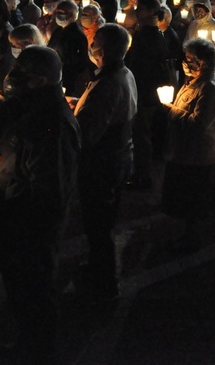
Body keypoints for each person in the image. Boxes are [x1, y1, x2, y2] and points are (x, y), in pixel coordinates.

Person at [0, 46, 80, 363]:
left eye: (25, 71)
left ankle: (37, 350)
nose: (15, 77)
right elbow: (17, 143)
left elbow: (48, 188)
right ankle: (27, 340)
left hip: (29, 228)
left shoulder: (53, 123)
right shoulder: (31, 109)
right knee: (22, 291)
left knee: (34, 290)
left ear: (45, 79)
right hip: (15, 224)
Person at [70, 24, 137, 301]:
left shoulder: (108, 83)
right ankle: (98, 267)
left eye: (95, 40)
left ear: (104, 49)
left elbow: (89, 132)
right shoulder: (123, 73)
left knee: (99, 225)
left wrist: (73, 118)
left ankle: (105, 283)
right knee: (102, 222)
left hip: (103, 165)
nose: (91, 43)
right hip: (118, 157)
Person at [160, 38, 215, 251]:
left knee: (194, 198)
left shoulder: (209, 87)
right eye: (185, 59)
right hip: (184, 149)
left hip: (197, 153)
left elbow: (200, 123)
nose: (185, 64)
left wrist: (172, 110)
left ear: (204, 62)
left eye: (190, 60)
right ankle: (186, 234)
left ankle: (192, 239)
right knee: (186, 196)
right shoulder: (194, 81)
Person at [125, 0, 170, 190]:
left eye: (140, 9)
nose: (136, 12)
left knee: (142, 136)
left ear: (151, 12)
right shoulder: (147, 33)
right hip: (144, 92)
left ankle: (143, 177)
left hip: (145, 94)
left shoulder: (150, 36)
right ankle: (141, 173)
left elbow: (144, 68)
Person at [46, 0, 90, 97]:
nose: (58, 14)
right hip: (55, 72)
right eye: (57, 12)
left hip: (68, 77)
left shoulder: (78, 35)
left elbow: (81, 60)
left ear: (72, 15)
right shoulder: (58, 30)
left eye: (61, 12)